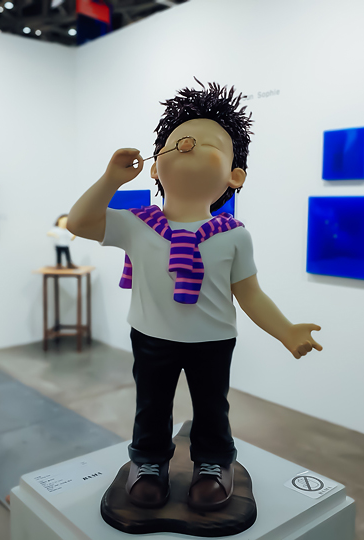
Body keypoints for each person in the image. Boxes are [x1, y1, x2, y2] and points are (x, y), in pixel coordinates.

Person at [67, 81, 322, 512]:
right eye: (179, 140)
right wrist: (110, 179)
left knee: (211, 407)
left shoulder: (234, 236)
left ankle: (213, 463)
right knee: (151, 405)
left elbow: (250, 294)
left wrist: (285, 330)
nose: (188, 144)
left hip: (213, 339)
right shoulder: (135, 224)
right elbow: (78, 222)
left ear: (234, 176)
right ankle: (148, 463)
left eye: (208, 143)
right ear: (155, 167)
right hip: (151, 336)